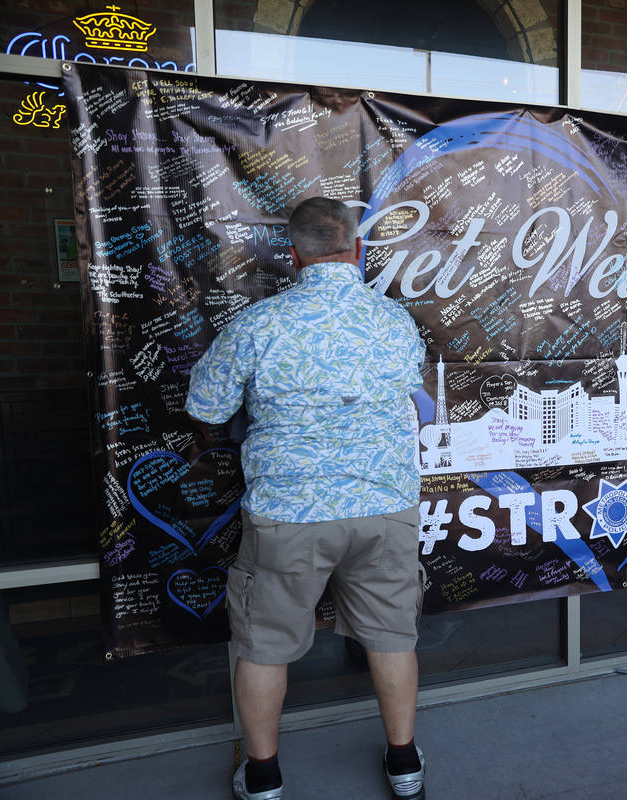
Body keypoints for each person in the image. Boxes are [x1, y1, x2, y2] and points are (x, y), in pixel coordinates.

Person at [185, 197, 427, 800]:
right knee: (393, 635)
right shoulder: (395, 320)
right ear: (357, 247)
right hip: (383, 506)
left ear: (293, 255)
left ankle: (263, 779)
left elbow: (205, 408)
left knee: (265, 645)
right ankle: (405, 767)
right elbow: (410, 389)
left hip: (289, 513)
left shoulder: (258, 323)